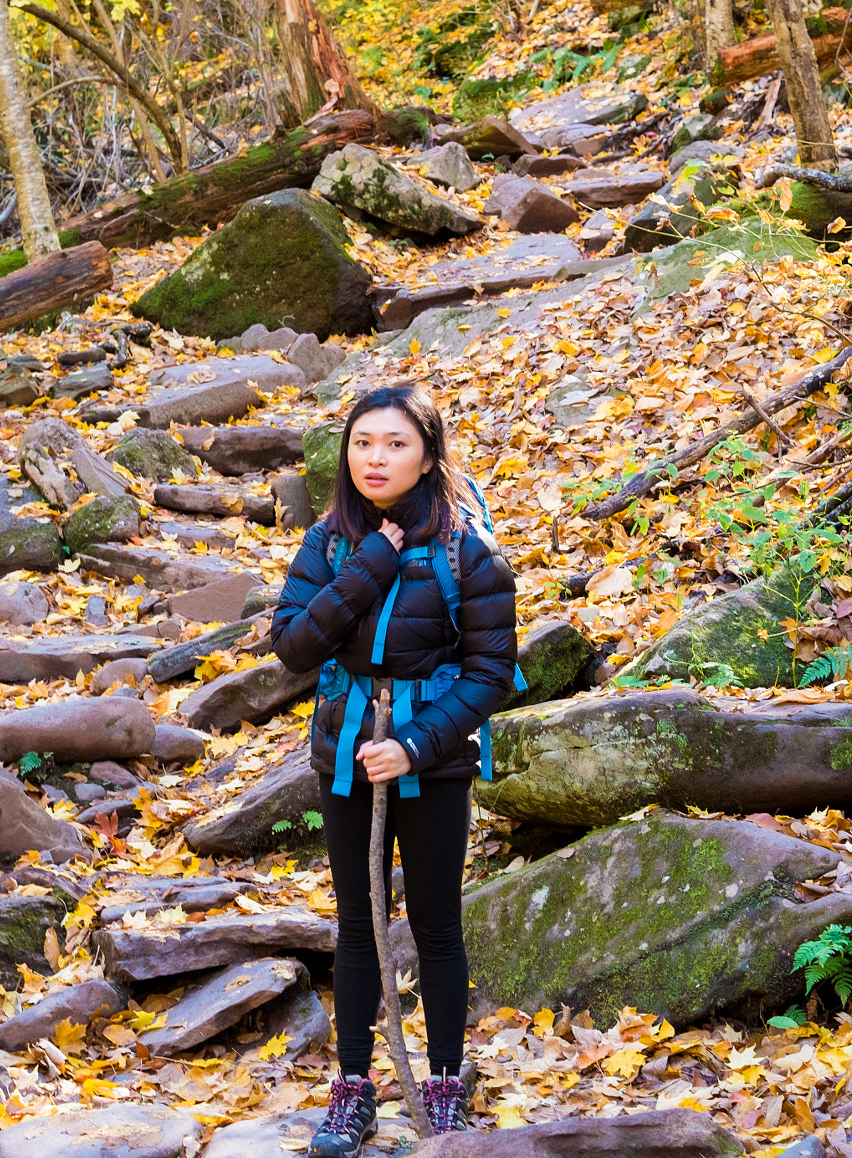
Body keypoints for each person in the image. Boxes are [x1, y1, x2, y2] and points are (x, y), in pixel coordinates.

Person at [272, 383, 519, 1155]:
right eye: (363, 442)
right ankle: (353, 1092)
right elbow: (294, 646)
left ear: (428, 452)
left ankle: (443, 1088)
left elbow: (492, 671)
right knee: (356, 924)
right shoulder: (331, 541)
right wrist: (373, 561)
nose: (375, 458)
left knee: (438, 924)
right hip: (344, 750)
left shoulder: (465, 549)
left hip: (434, 762)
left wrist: (416, 743)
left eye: (396, 443)